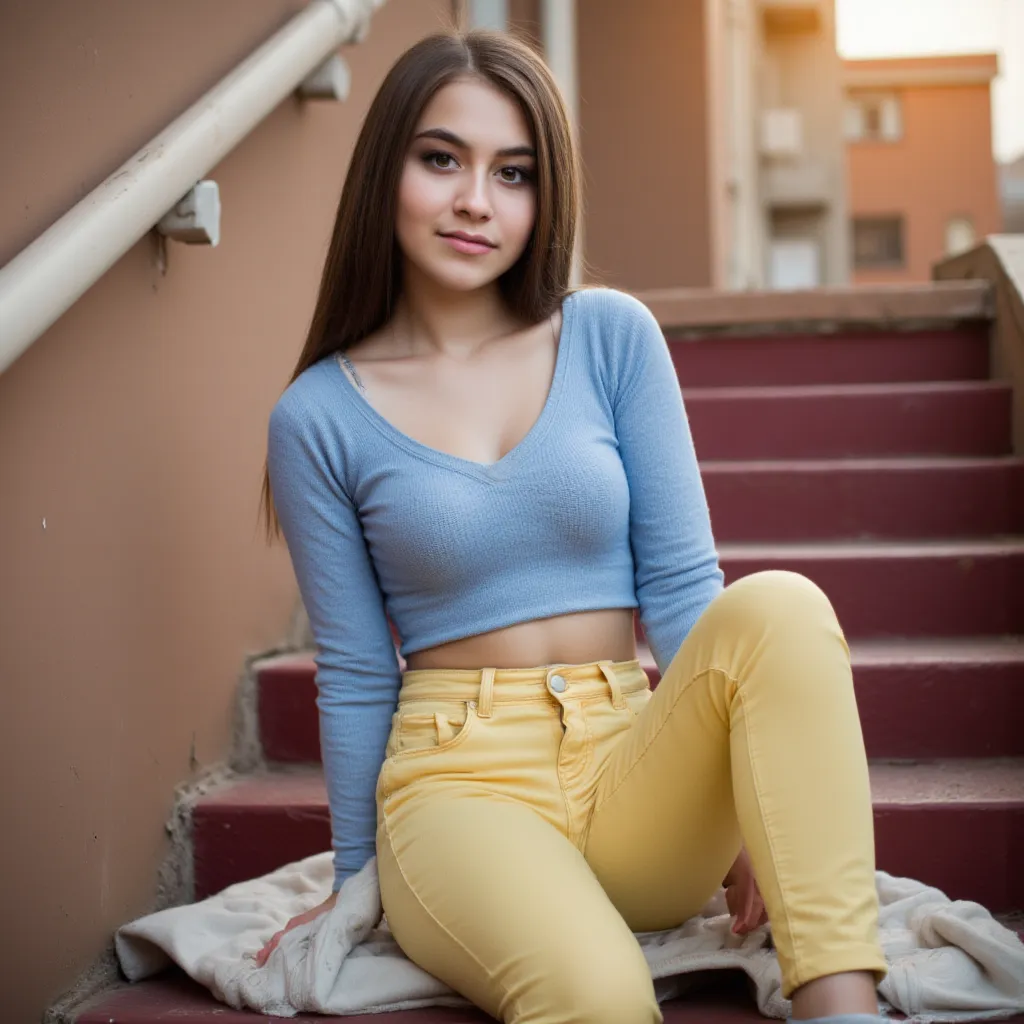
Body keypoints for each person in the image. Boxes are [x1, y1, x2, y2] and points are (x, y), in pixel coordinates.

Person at [256, 28, 887, 1024]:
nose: (477, 200)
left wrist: (749, 819)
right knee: (598, 995)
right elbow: (355, 670)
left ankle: (842, 1008)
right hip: (455, 790)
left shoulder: (610, 335)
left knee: (780, 606)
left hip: (626, 757)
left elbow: (683, 587)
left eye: (514, 172)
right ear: (387, 171)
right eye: (441, 159)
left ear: (545, 194)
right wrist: (352, 876)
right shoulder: (318, 417)